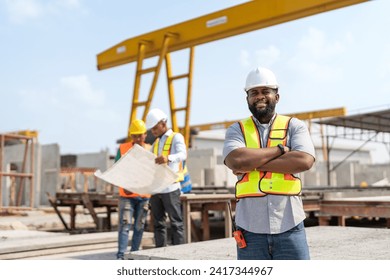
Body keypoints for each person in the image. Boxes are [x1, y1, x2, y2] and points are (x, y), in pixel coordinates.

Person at [222, 66, 316, 260]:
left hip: (290, 226)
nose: (260, 96)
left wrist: (251, 163)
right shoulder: (236, 130)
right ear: (247, 98)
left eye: (266, 91)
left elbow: (304, 160)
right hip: (250, 230)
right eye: (254, 93)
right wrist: (280, 151)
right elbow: (235, 160)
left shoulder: (294, 126)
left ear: (277, 97)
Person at [145, 108, 187, 247]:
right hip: (157, 189)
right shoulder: (156, 143)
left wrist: (168, 158)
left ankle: (178, 255)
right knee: (158, 224)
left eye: (155, 128)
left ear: (163, 123)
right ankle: (160, 253)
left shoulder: (176, 137)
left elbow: (183, 155)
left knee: (176, 223)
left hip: (171, 187)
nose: (153, 132)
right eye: (152, 129)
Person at [116, 119, 151, 260]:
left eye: (139, 135)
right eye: (134, 136)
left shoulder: (150, 149)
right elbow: (117, 170)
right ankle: (121, 256)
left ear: (145, 135)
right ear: (131, 136)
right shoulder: (123, 149)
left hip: (144, 195)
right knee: (125, 226)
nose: (137, 139)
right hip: (127, 195)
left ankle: (134, 255)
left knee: (139, 226)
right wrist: (126, 185)